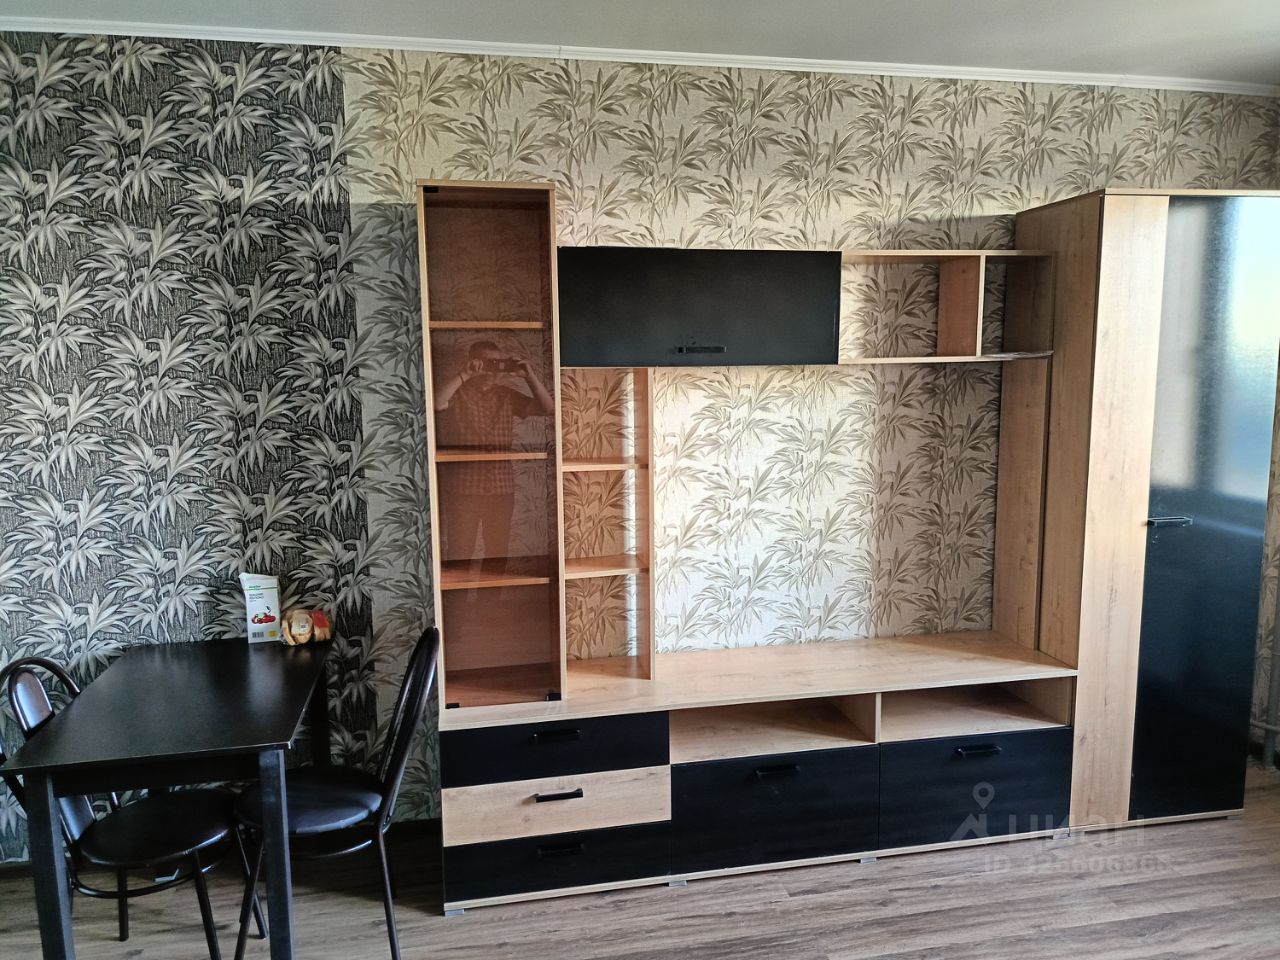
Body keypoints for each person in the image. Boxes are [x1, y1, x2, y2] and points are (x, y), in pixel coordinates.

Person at [433, 340, 554, 561]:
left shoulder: (506, 395)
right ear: (472, 362)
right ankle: (459, 588)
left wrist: (529, 376)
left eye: (496, 363)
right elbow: (436, 404)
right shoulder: (459, 392)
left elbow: (548, 409)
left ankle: (492, 587)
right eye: (485, 362)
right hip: (464, 488)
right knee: (460, 553)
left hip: (501, 487)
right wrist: (464, 375)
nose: (491, 369)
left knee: (498, 554)